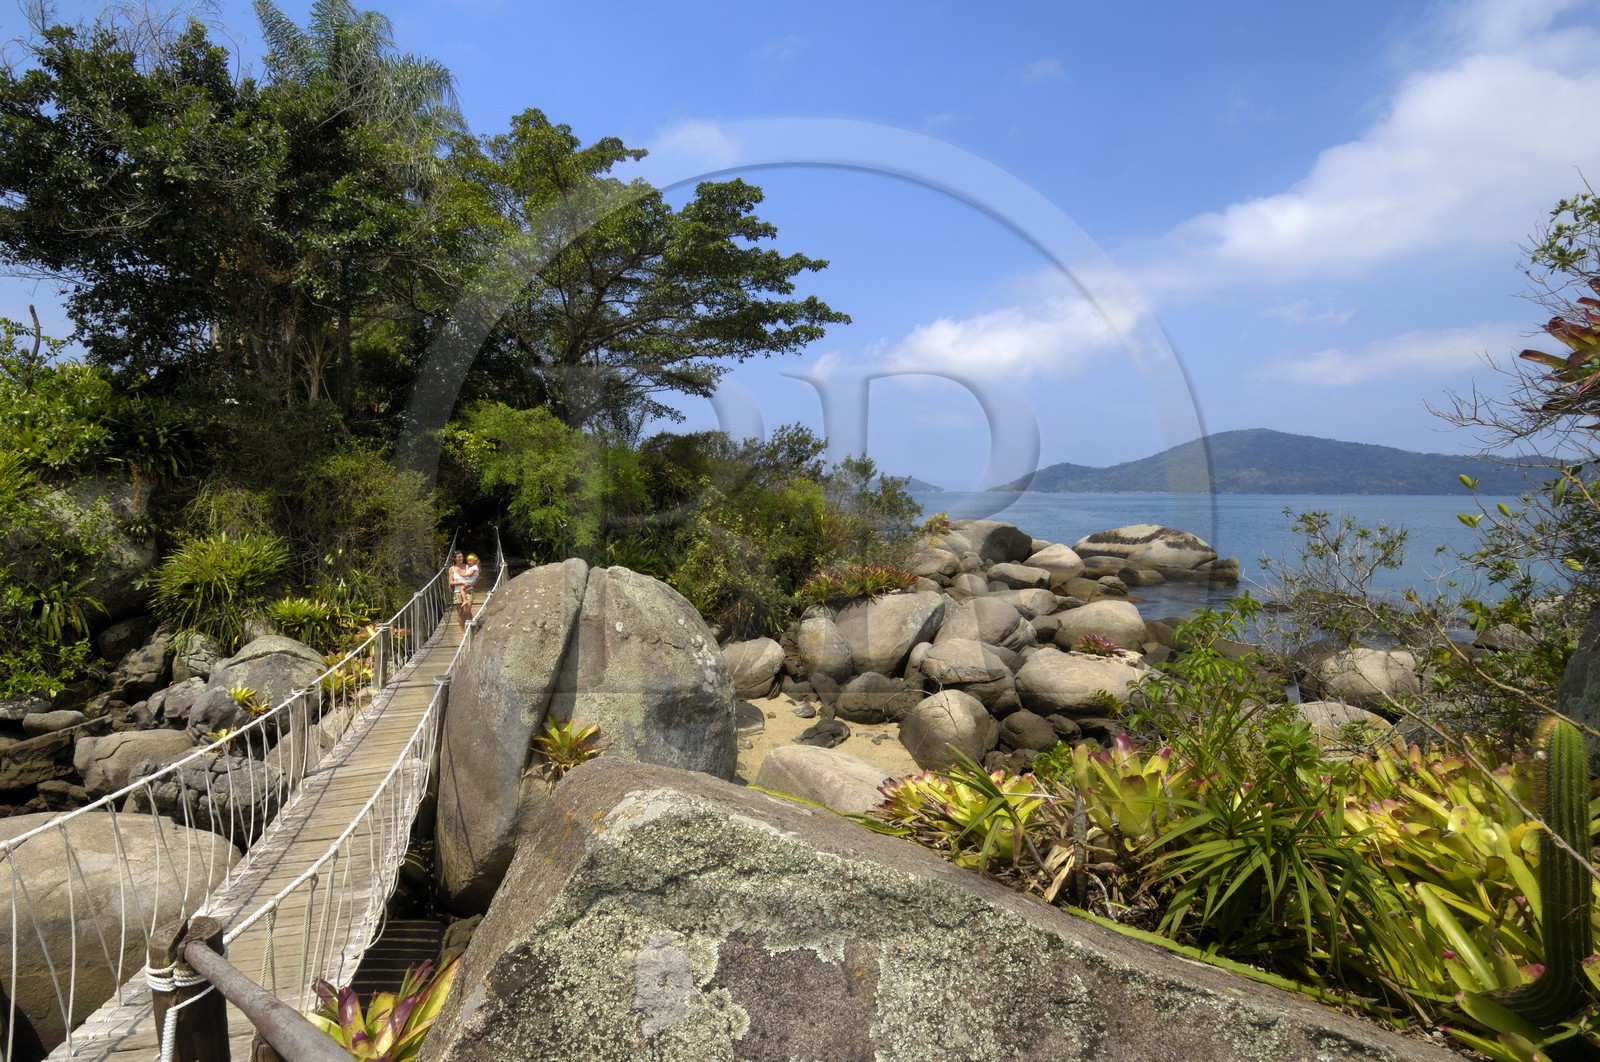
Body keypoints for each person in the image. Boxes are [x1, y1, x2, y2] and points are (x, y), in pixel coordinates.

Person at [449, 550, 473, 626]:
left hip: (468, 590)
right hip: (457, 592)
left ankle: (470, 627)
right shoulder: (451, 569)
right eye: (459, 557)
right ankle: (463, 632)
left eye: (462, 556)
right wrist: (462, 583)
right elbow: (451, 582)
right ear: (455, 558)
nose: (461, 558)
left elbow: (473, 577)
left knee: (468, 611)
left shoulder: (467, 567)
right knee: (460, 613)